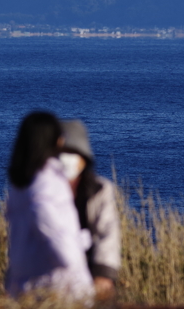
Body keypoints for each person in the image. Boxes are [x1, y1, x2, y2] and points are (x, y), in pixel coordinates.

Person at [5, 111, 94, 303]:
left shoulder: (20, 185)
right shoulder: (48, 181)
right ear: (55, 141)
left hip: (24, 286)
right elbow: (44, 215)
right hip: (61, 288)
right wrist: (73, 256)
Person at [61, 120, 121, 304]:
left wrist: (103, 273)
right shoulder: (44, 190)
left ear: (83, 159)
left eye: (73, 153)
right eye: (62, 153)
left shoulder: (99, 189)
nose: (66, 159)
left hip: (88, 265)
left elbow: (108, 232)